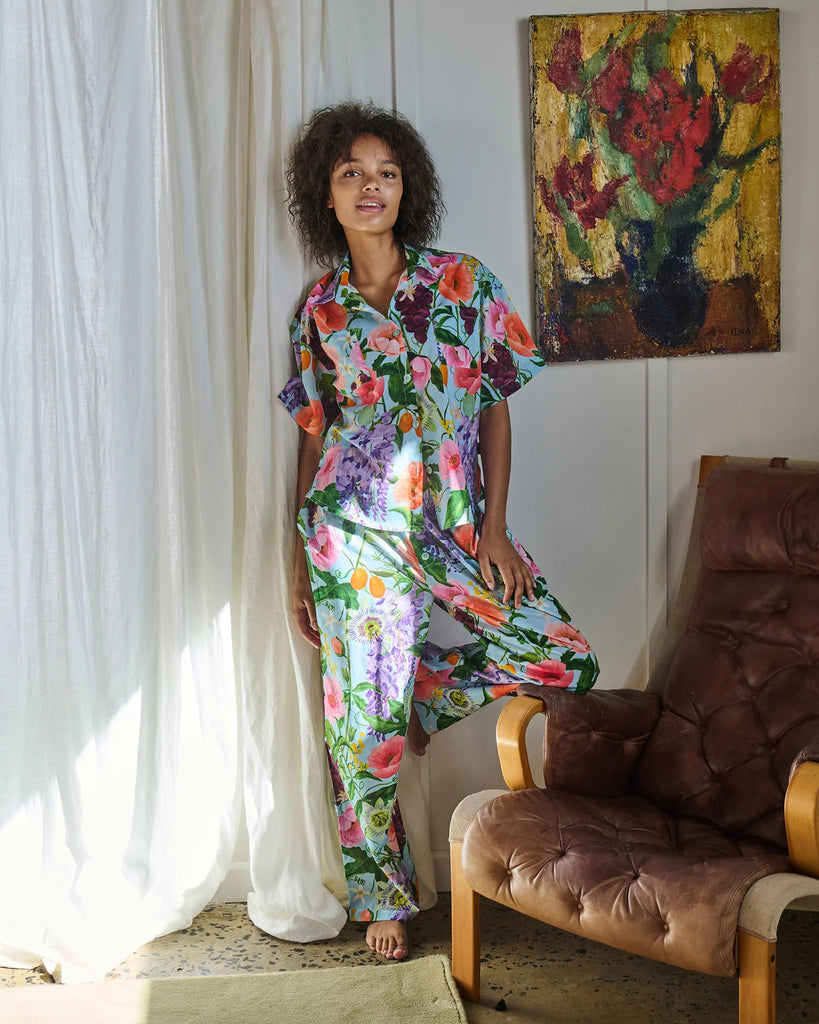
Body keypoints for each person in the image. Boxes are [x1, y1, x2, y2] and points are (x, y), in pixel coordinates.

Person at [279, 102, 599, 962]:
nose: (368, 185)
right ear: (328, 195)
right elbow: (313, 434)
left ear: (405, 184)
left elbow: (493, 409)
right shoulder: (320, 309)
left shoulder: (464, 283)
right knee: (361, 731)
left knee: (563, 653)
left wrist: (493, 527)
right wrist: (295, 565)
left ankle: (429, 699)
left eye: (383, 171)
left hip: (456, 529)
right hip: (352, 536)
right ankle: (380, 895)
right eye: (349, 173)